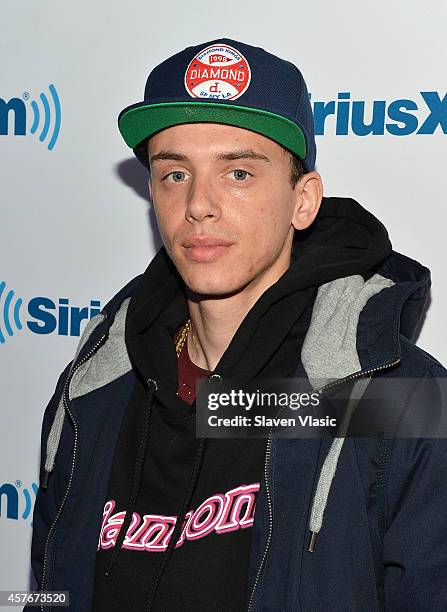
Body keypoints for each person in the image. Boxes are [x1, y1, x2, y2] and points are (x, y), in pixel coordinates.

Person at [29, 38, 447, 611]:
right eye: (175, 173)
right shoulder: (93, 389)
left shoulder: (402, 400)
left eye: (240, 173)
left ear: (304, 201)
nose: (199, 203)